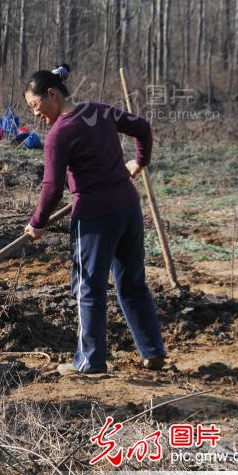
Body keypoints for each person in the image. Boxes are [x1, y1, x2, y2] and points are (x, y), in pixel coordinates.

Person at [22, 63, 166, 376]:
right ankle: (152, 351)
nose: (34, 113)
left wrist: (37, 222)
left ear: (52, 94)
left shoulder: (59, 134)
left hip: (96, 218)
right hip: (128, 208)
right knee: (132, 283)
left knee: (88, 287)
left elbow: (51, 187)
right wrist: (140, 162)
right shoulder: (99, 111)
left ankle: (89, 362)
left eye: (35, 105)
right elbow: (141, 126)